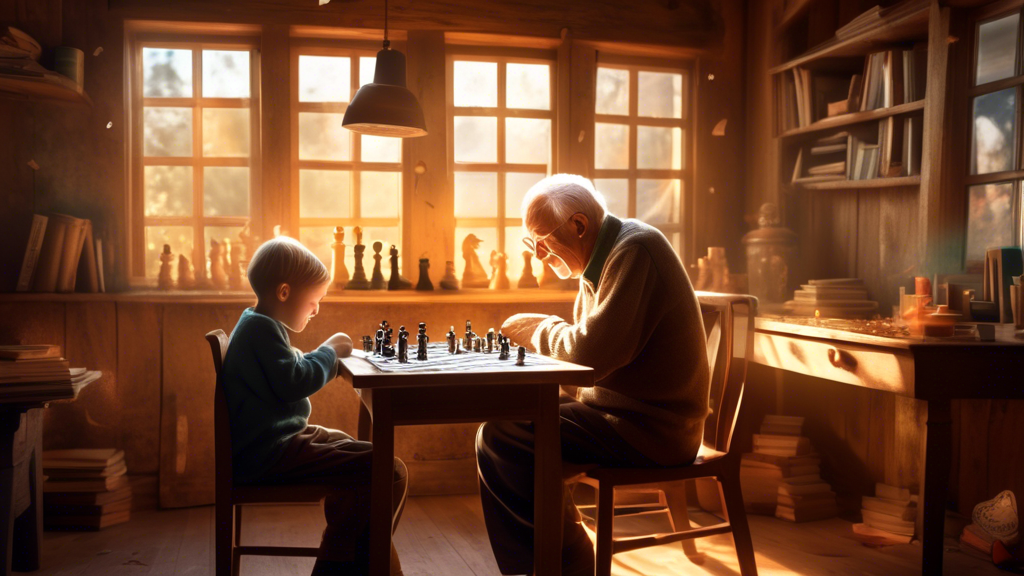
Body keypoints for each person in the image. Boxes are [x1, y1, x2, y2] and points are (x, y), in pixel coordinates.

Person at [477, 174, 710, 576]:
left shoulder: (635, 249)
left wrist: (537, 330)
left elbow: (589, 358)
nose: (537, 258)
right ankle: (555, 559)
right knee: (511, 421)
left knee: (504, 435)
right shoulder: (599, 259)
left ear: (578, 226)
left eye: (541, 244)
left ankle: (562, 562)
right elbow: (588, 365)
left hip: (654, 430)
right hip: (624, 417)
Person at [221, 236, 406, 576]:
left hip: (275, 441)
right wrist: (329, 352)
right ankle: (340, 560)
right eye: (314, 300)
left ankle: (352, 550)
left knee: (366, 458)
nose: (317, 308)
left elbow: (286, 371)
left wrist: (322, 356)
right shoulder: (260, 330)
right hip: (270, 453)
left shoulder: (258, 324)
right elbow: (296, 381)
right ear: (285, 293)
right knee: (388, 471)